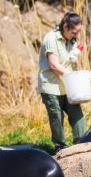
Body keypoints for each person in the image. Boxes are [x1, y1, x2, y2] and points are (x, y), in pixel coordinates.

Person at [37, 11, 86, 153]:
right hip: (51, 86)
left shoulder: (72, 41)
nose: (76, 35)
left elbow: (70, 61)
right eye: (74, 31)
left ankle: (82, 143)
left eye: (78, 32)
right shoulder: (51, 38)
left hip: (68, 85)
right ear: (65, 26)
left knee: (77, 114)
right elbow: (53, 65)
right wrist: (72, 76)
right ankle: (60, 148)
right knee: (57, 117)